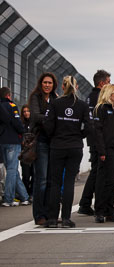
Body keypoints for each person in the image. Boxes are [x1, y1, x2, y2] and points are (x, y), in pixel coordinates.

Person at [43, 76, 91, 228]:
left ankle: (51, 219)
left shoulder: (55, 103)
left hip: (57, 146)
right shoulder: (82, 105)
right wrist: (78, 136)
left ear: (62, 87)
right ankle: (66, 219)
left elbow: (48, 125)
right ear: (76, 88)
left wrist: (55, 137)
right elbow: (89, 127)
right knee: (69, 182)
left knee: (55, 182)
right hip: (75, 147)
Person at [78, 70, 111, 216]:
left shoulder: (89, 97)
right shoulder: (100, 97)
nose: (109, 85)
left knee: (96, 171)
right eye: (108, 82)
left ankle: (85, 203)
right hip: (99, 140)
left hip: (92, 139)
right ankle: (86, 203)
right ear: (102, 83)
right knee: (98, 172)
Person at [28, 72, 58, 225]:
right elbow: (34, 116)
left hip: (53, 141)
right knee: (42, 180)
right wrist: (51, 117)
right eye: (45, 82)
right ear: (41, 83)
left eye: (50, 83)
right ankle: (39, 215)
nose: (47, 85)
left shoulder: (55, 98)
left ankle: (50, 214)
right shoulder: (35, 97)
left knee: (52, 181)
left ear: (54, 85)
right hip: (40, 141)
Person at [94, 84, 114, 223]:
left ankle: (109, 210)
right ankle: (100, 211)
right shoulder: (101, 109)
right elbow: (98, 132)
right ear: (109, 94)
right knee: (104, 181)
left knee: (112, 181)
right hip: (106, 149)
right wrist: (101, 151)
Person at [0, 87, 30, 207]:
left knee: (12, 171)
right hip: (13, 141)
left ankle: (24, 197)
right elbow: (17, 123)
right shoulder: (11, 106)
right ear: (8, 95)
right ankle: (8, 199)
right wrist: (23, 132)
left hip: (1, 141)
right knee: (12, 170)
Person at [20, 104, 34, 201]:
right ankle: (25, 193)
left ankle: (32, 194)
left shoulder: (34, 123)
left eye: (28, 111)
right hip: (24, 153)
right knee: (25, 175)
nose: (26, 113)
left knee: (34, 174)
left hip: (33, 153)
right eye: (24, 111)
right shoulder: (21, 124)